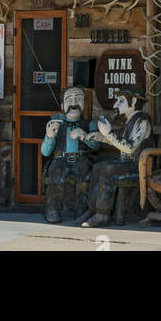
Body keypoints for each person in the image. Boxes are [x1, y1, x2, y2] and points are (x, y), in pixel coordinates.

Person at [75, 88, 152, 227]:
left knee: (107, 169)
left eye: (120, 101)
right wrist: (101, 136)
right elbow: (118, 141)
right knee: (98, 166)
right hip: (125, 163)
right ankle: (92, 209)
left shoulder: (142, 121)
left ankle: (102, 214)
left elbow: (129, 148)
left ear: (133, 102)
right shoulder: (130, 120)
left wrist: (108, 133)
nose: (115, 105)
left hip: (137, 165)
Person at [41, 87, 99, 223]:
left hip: (81, 159)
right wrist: (50, 136)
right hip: (61, 159)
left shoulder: (89, 124)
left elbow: (96, 146)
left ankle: (82, 209)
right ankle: (52, 209)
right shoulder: (56, 123)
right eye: (69, 99)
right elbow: (45, 152)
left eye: (79, 98)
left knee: (84, 171)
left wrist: (85, 137)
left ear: (84, 103)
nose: (74, 103)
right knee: (56, 171)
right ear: (62, 106)